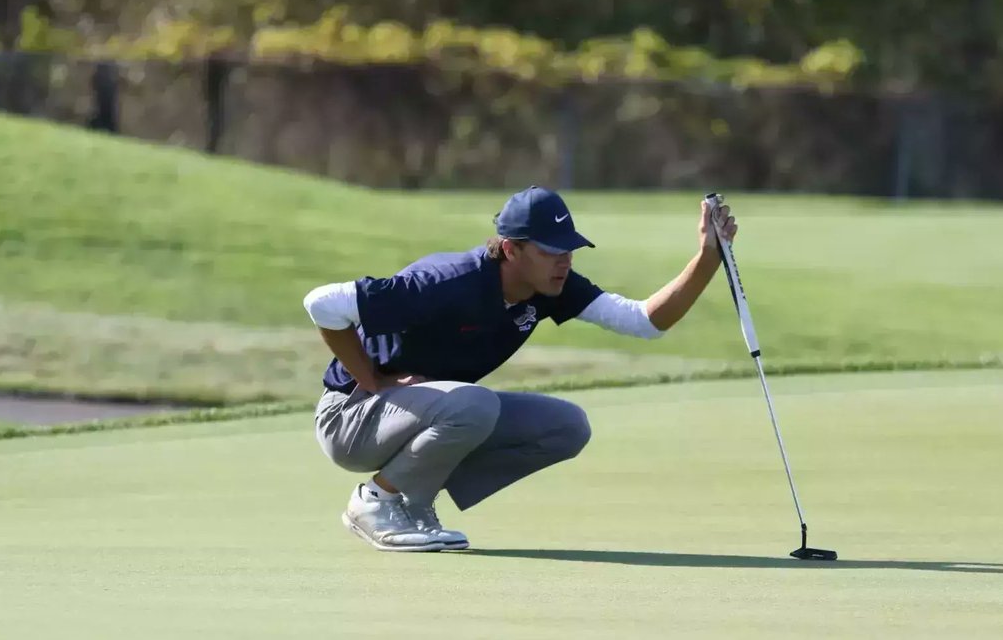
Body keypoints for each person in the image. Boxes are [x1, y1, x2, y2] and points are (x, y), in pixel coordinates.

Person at [302, 186, 737, 552]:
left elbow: (644, 321)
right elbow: (323, 304)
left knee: (565, 426)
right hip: (351, 418)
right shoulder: (448, 282)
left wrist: (707, 257)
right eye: (551, 251)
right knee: (475, 404)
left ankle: (413, 502)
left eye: (569, 250)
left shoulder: (550, 286)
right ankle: (376, 501)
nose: (564, 261)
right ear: (511, 249)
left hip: (417, 415)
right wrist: (373, 380)